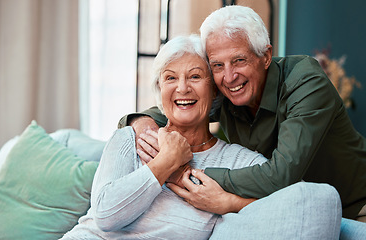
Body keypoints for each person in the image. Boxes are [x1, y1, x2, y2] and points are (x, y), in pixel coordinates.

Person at [62, 35, 341, 239]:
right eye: (170, 78)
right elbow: (106, 215)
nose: (182, 88)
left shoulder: (239, 162)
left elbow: (300, 203)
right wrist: (165, 163)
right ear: (159, 91)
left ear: (215, 91)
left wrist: (230, 203)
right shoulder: (131, 139)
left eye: (195, 77)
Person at [119, 5, 366, 224]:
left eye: (239, 60)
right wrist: (142, 123)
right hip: (291, 209)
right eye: (217, 65)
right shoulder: (226, 91)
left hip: (357, 207)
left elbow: (281, 175)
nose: (229, 76)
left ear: (266, 56)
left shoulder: (305, 81)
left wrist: (190, 175)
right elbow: (182, 103)